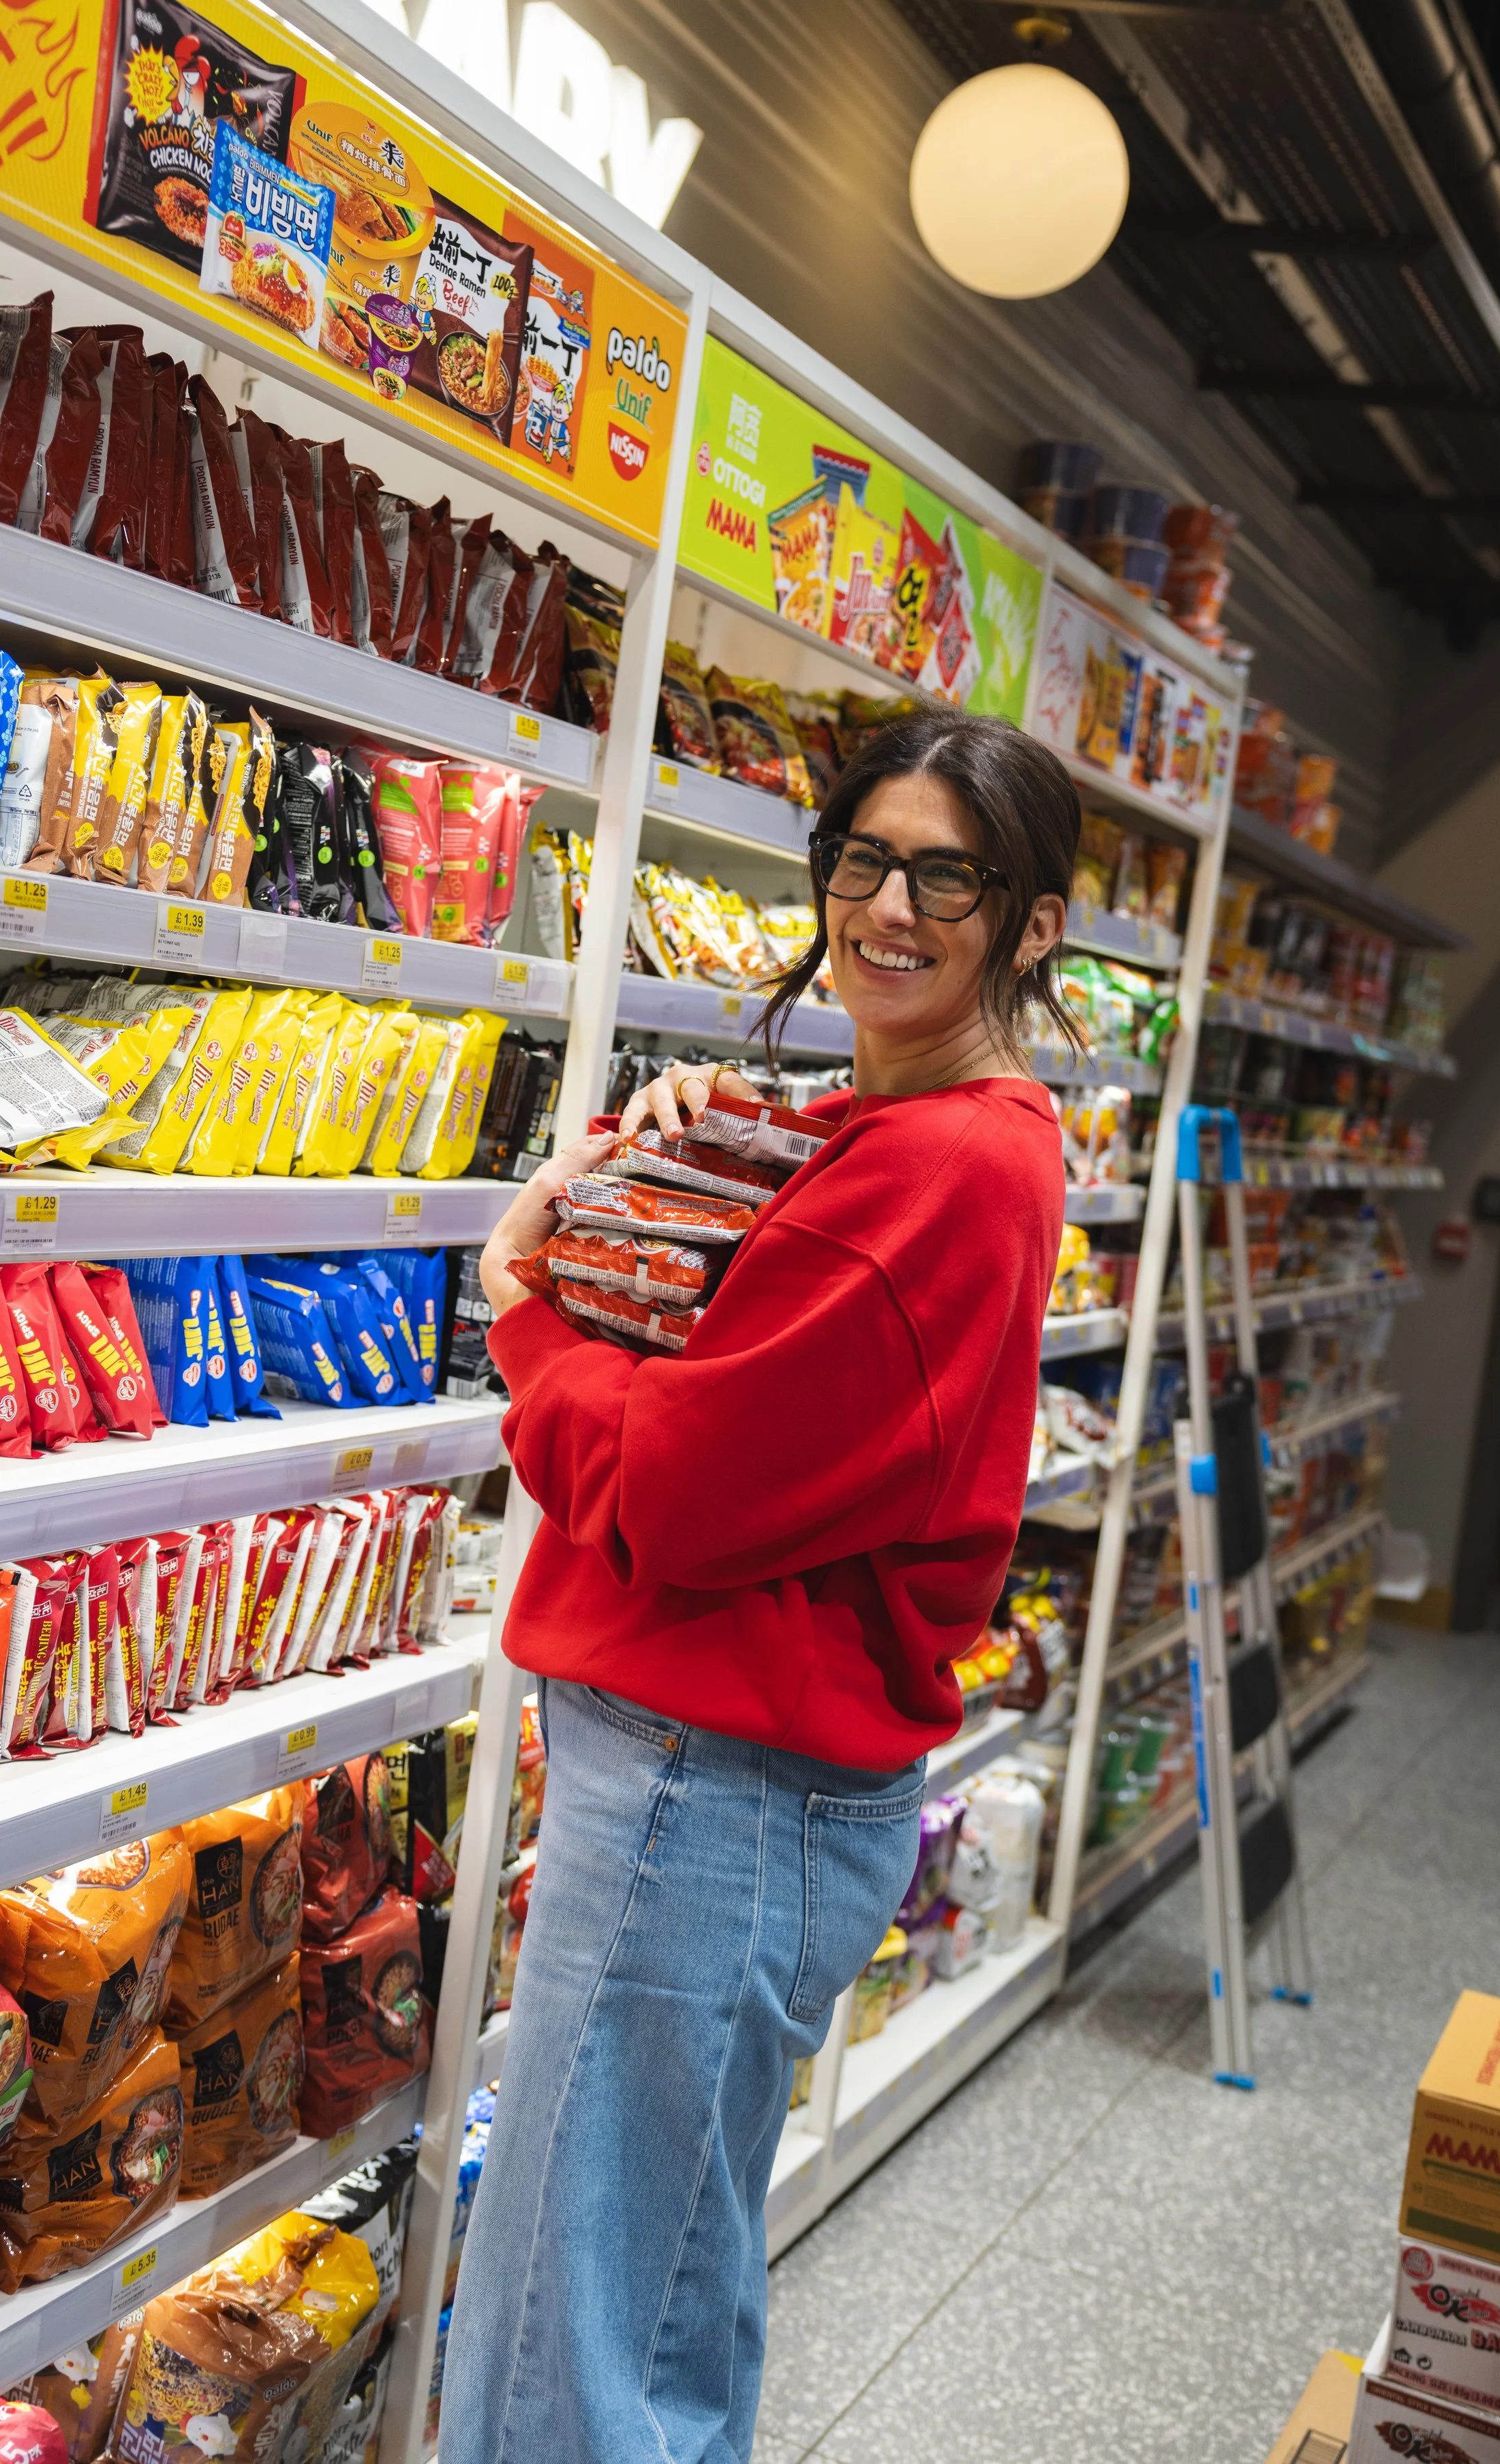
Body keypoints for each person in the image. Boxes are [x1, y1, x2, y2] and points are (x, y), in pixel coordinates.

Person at [442, 712, 1078, 2464]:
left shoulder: (945, 1165)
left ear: (1032, 921)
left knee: (567, 2338)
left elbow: (671, 1488)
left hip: (703, 1789)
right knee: (657, 2296)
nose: (887, 903)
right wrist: (713, 1133)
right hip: (741, 1787)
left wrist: (524, 1313)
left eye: (948, 872)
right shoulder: (913, 1130)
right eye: (862, 858)